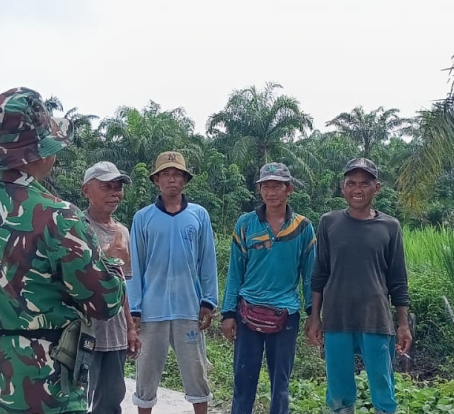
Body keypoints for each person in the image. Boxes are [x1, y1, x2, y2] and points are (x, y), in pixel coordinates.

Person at [0, 87, 126, 414]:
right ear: (40, 153)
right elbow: (105, 302)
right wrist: (114, 262)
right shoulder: (58, 217)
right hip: (44, 386)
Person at [307, 157, 412, 414]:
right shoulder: (329, 222)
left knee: (382, 386)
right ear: (342, 188)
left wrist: (403, 324)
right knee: (339, 391)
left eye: (364, 184)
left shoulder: (390, 226)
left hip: (375, 318)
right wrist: (314, 317)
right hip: (337, 318)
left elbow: (398, 280)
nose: (357, 189)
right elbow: (319, 273)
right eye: (351, 183)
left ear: (376, 188)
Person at [127, 151, 219, 414]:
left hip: (188, 308)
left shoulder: (198, 215)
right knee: (146, 375)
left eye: (176, 174)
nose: (171, 179)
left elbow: (207, 260)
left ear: (185, 180)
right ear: (156, 180)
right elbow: (135, 265)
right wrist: (134, 308)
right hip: (151, 311)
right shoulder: (142, 218)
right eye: (165, 174)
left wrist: (208, 301)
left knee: (196, 373)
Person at [220, 162, 316, 414]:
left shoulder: (303, 228)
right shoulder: (245, 224)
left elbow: (309, 276)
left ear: (289, 189)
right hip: (247, 312)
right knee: (243, 382)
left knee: (280, 384)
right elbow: (235, 272)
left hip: (286, 314)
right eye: (266, 186)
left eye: (277, 186)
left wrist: (313, 315)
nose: (271, 192)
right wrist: (228, 313)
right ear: (259, 190)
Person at [81, 161, 142, 414]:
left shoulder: (123, 231)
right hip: (84, 331)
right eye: (107, 187)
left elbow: (123, 285)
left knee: (110, 401)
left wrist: (130, 328)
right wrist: (107, 253)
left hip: (114, 332)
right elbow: (74, 278)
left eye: (118, 187)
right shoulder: (75, 227)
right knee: (78, 400)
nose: (115, 193)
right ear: (86, 190)